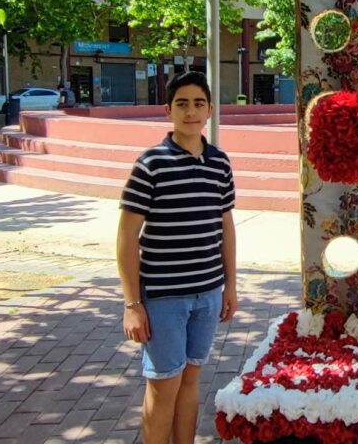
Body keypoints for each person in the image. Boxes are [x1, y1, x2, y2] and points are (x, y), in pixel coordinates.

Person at [116, 71, 238, 444]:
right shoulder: (150, 164)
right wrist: (132, 304)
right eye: (182, 104)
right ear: (168, 111)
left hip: (207, 295)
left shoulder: (219, 162)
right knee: (163, 385)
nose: (191, 111)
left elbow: (226, 227)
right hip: (164, 298)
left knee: (190, 380)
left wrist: (229, 285)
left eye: (198, 103)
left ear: (210, 110)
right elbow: (126, 236)